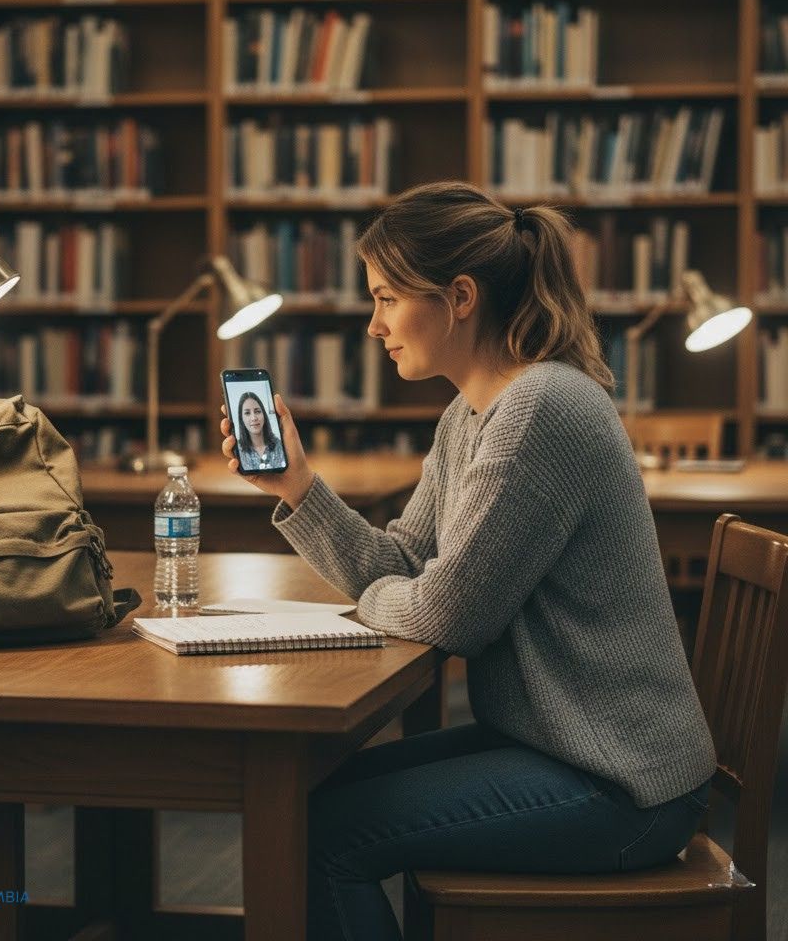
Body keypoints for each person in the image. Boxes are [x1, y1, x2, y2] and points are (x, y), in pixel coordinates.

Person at [219, 181, 717, 941]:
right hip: (559, 746)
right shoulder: (473, 415)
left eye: (387, 298)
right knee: (301, 801)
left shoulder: (541, 409)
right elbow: (404, 561)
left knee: (324, 836)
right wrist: (297, 484)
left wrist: (385, 596)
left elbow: (450, 615)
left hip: (622, 782)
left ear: (458, 297)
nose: (373, 323)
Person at [236, 390, 287, 471]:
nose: (254, 418)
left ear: (264, 415)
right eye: (247, 413)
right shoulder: (237, 449)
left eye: (257, 411)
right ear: (241, 418)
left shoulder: (279, 445)